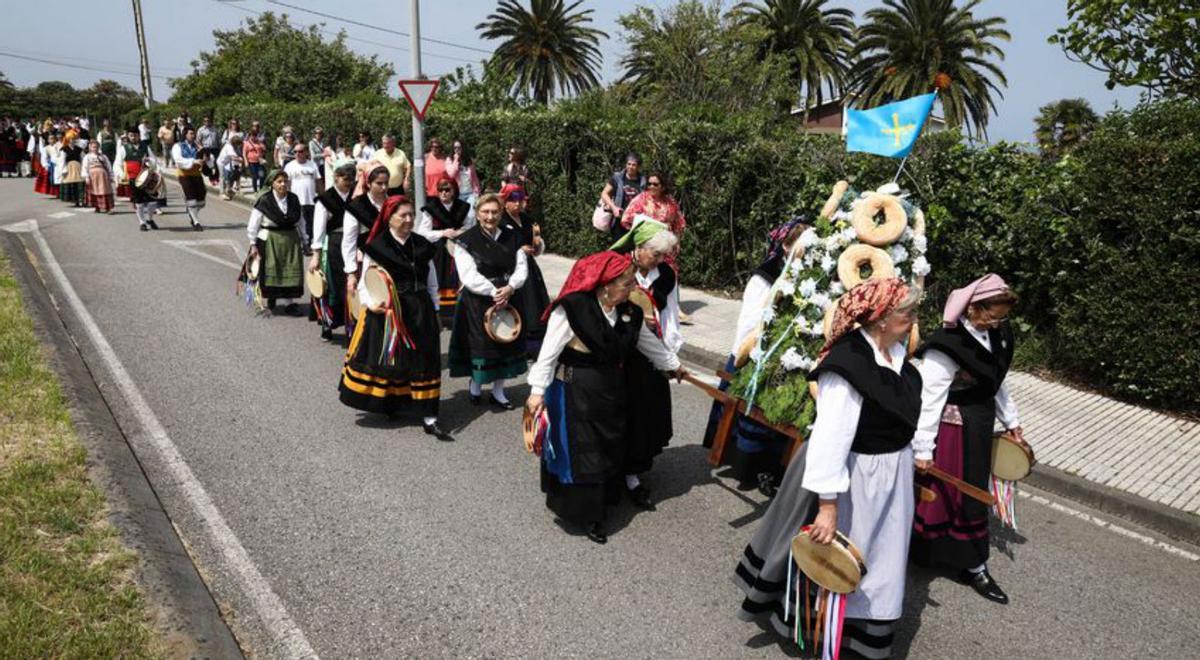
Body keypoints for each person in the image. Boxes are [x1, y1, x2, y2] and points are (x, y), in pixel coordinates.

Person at [734, 278, 923, 659]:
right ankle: (826, 630)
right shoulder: (847, 365)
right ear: (881, 319)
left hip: (892, 476)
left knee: (885, 554)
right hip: (856, 475)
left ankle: (867, 631)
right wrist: (828, 505)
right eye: (907, 313)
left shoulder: (898, 355)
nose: (915, 320)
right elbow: (830, 438)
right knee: (846, 555)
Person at [525, 251, 683, 544]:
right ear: (605, 284)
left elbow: (649, 344)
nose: (632, 289)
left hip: (610, 390)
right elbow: (548, 353)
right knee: (583, 450)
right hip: (574, 390)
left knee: (607, 445)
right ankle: (587, 514)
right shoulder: (573, 309)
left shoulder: (630, 313)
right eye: (626, 284)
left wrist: (672, 365)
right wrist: (536, 392)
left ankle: (605, 501)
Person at [911, 274, 1027, 604]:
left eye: (1003, 316)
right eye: (992, 314)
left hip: (979, 422)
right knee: (946, 494)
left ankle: (973, 564)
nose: (998, 322)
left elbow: (997, 379)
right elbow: (930, 398)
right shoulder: (946, 344)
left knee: (972, 494)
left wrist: (1012, 421)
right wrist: (923, 448)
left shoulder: (999, 332)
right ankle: (927, 552)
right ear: (974, 307)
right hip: (951, 429)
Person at [702, 219, 807, 496]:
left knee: (777, 414)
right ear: (786, 246)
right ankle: (743, 464)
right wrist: (752, 350)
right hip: (755, 353)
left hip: (785, 359)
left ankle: (766, 467)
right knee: (747, 409)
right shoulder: (766, 276)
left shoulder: (807, 276)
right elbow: (750, 320)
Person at [338, 195, 451, 440]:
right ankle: (393, 403)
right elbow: (366, 282)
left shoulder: (422, 245)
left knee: (426, 360)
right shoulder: (376, 246)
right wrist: (372, 304)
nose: (409, 220)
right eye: (404, 215)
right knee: (393, 359)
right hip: (388, 310)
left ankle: (429, 416)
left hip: (420, 310)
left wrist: (436, 309)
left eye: (412, 215)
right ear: (389, 218)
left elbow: (431, 281)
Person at [608, 216, 683, 509]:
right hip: (620, 351)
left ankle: (632, 474)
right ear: (638, 248)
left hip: (651, 354)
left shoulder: (666, 274)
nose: (659, 260)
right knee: (617, 411)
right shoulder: (618, 267)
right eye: (655, 253)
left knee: (644, 413)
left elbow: (671, 314)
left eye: (663, 255)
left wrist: (670, 354)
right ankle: (610, 467)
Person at [448, 193, 528, 408]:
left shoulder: (513, 237)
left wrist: (510, 287)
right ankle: (475, 386)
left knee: (505, 343)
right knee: (480, 345)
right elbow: (468, 275)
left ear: (501, 213)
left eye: (494, 212)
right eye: (485, 212)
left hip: (509, 296)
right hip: (478, 300)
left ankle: (498, 392)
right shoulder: (466, 240)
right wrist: (494, 292)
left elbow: (521, 266)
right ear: (477, 213)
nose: (490, 217)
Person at [499, 184, 550, 357]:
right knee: (519, 304)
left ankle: (534, 347)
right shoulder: (501, 221)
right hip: (510, 268)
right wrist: (518, 250)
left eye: (520, 200)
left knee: (535, 304)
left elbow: (536, 248)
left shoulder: (527, 219)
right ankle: (516, 345)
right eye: (513, 200)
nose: (518, 204)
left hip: (529, 268)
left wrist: (537, 242)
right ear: (505, 202)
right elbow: (499, 245)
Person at [247, 170, 307, 315]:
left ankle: (289, 303)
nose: (283, 184)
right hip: (269, 239)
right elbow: (254, 222)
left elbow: (300, 221)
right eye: (279, 181)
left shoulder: (293, 199)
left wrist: (305, 239)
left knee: (290, 270)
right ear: (272, 183)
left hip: (290, 239)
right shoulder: (264, 200)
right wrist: (252, 243)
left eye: (285, 181)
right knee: (271, 270)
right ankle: (272, 297)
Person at [417, 175, 473, 327]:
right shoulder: (431, 208)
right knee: (438, 278)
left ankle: (459, 312)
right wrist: (442, 233)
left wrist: (459, 232)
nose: (443, 193)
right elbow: (422, 232)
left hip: (458, 247)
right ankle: (439, 313)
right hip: (438, 248)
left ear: (454, 190)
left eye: (447, 189)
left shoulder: (463, 207)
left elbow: (469, 228)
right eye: (440, 190)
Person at [310, 163, 356, 340]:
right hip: (333, 244)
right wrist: (316, 254)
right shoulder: (325, 199)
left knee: (350, 285)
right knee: (331, 285)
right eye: (345, 179)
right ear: (336, 178)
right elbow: (319, 228)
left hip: (352, 244)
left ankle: (351, 324)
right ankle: (327, 323)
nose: (348, 183)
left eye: (351, 179)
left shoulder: (355, 196)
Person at [342, 165, 391, 307]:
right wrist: (351, 273)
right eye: (379, 183)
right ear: (368, 184)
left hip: (392, 259)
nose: (384, 188)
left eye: (386, 183)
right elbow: (349, 241)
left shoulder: (393, 204)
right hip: (366, 261)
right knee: (370, 302)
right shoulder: (357, 206)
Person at [599, 153, 646, 242]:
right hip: (619, 219)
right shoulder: (618, 178)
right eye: (629, 164)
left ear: (638, 167)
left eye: (634, 165)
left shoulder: (643, 181)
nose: (630, 167)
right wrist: (613, 208)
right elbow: (604, 193)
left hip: (635, 221)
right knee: (618, 248)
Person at [284, 142, 322, 243]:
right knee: (299, 223)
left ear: (306, 152)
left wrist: (323, 197)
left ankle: (310, 242)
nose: (297, 154)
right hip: (297, 200)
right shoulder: (289, 166)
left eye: (300, 151)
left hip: (311, 200)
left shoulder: (312, 164)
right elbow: (286, 183)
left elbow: (318, 181)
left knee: (311, 223)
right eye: (295, 151)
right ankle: (302, 242)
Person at [172, 128, 207, 231]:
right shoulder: (178, 146)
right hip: (184, 174)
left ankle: (192, 212)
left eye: (194, 133)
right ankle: (196, 222)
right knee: (191, 200)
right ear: (185, 134)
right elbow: (178, 160)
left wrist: (204, 154)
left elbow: (208, 160)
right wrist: (193, 161)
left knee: (201, 201)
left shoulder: (198, 147)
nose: (193, 135)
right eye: (191, 133)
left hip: (196, 174)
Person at [81, 140, 115, 214]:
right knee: (94, 191)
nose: (95, 148)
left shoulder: (103, 156)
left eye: (96, 147)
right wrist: (86, 177)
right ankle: (97, 207)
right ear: (90, 147)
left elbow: (108, 166)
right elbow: (84, 167)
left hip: (103, 177)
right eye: (93, 147)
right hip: (92, 177)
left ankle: (107, 208)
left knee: (104, 191)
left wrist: (111, 175)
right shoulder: (87, 157)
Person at [445, 140, 482, 207]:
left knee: (471, 215)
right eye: (455, 147)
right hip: (458, 194)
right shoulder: (449, 160)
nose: (457, 149)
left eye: (459, 147)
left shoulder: (468, 160)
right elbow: (451, 174)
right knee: (460, 216)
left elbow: (474, 177)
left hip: (471, 193)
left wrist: (477, 192)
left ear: (463, 148)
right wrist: (456, 160)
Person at [130, 157, 162, 231]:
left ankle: (149, 219)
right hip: (135, 179)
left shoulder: (145, 147)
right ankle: (142, 222)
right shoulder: (124, 149)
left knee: (153, 202)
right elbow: (119, 163)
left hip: (149, 178)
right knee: (139, 203)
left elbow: (154, 161)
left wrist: (156, 169)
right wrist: (120, 174)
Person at [59, 135, 85, 207]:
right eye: (70, 139)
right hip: (69, 167)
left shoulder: (79, 149)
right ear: (67, 140)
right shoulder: (64, 149)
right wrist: (63, 170)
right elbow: (62, 160)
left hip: (78, 167)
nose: (72, 141)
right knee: (71, 184)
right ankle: (74, 200)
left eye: (73, 139)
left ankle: (80, 200)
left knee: (79, 183)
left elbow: (83, 159)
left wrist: (84, 169)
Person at [217, 135, 245, 200]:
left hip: (226, 163)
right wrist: (242, 160)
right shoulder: (229, 147)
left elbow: (236, 156)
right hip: (221, 163)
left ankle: (227, 191)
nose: (239, 146)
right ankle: (221, 193)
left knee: (229, 177)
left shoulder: (232, 146)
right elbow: (233, 158)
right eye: (238, 144)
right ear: (235, 143)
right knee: (222, 177)